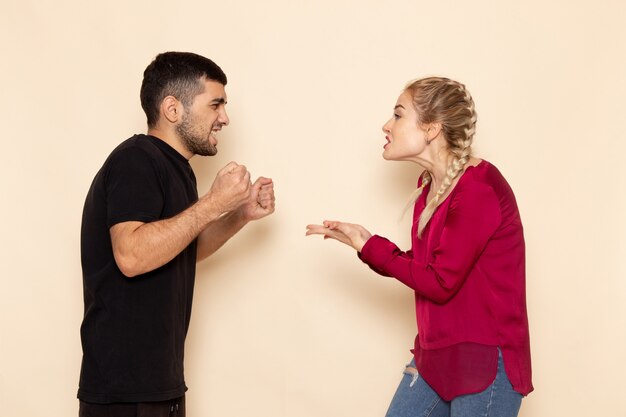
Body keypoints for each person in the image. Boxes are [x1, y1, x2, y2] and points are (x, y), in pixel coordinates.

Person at [306, 77, 532, 416]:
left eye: (398, 115)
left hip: (485, 363)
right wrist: (364, 243)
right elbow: (430, 268)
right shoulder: (429, 189)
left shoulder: (478, 188)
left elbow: (440, 282)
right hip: (435, 358)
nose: (387, 125)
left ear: (431, 129)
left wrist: (370, 246)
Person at [78, 51, 275, 417]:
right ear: (173, 108)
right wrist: (214, 203)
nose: (225, 118)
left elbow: (181, 249)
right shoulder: (136, 159)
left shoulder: (177, 170)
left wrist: (239, 215)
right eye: (215, 104)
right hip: (123, 391)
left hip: (161, 383)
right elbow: (132, 256)